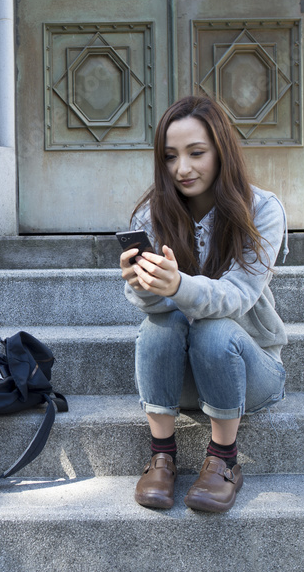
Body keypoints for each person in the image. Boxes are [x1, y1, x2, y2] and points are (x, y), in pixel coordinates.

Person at [119, 95, 287, 513]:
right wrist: (144, 285)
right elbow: (152, 308)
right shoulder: (152, 214)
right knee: (159, 326)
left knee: (214, 328)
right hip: (184, 379)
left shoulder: (262, 210)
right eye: (171, 156)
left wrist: (178, 285)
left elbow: (238, 296)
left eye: (197, 153)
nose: (183, 169)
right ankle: (161, 455)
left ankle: (224, 461)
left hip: (250, 373)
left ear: (221, 151)